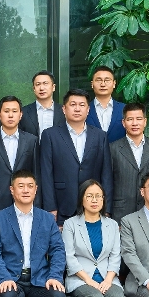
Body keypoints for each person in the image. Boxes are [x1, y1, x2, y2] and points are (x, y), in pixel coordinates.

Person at [63, 180, 127, 297]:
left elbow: (115, 256)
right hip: (80, 278)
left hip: (108, 278)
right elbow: (69, 257)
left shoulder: (112, 225)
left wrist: (108, 280)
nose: (94, 200)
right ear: (82, 199)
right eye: (89, 196)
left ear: (103, 199)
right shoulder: (71, 224)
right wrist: (89, 280)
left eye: (98, 196)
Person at [38, 89, 112, 224]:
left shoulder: (100, 136)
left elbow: (106, 173)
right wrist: (50, 207)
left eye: (82, 105)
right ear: (64, 109)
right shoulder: (50, 135)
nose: (77, 109)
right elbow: (46, 173)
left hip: (93, 206)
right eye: (73, 104)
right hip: (62, 205)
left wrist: (106, 208)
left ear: (88, 110)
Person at [0, 96, 38, 226]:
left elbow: (36, 174)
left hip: (25, 202)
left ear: (20, 115)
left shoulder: (31, 141)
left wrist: (37, 206)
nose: (10, 115)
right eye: (6, 111)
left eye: (14, 111)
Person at [108, 103, 149, 218]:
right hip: (121, 212)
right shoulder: (112, 149)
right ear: (123, 123)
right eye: (130, 119)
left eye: (139, 119)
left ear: (145, 121)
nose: (134, 123)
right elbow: (107, 181)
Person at [20, 70, 63, 140]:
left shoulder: (64, 111)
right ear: (34, 89)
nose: (41, 88)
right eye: (38, 84)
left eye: (45, 83)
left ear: (53, 87)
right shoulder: (23, 112)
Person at [86, 67, 125, 143]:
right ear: (92, 84)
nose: (103, 84)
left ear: (114, 84)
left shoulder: (125, 109)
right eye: (98, 80)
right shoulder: (83, 110)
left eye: (107, 80)